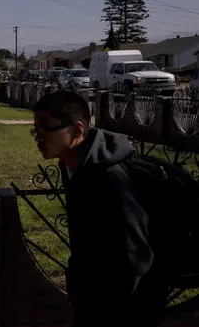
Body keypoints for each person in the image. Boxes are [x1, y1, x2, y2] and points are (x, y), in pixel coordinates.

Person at [32, 90, 169, 327]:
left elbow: (134, 257)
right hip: (94, 301)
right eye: (36, 129)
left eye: (46, 129)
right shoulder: (73, 165)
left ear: (77, 130)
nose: (39, 137)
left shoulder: (110, 179)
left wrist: (103, 311)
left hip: (125, 310)